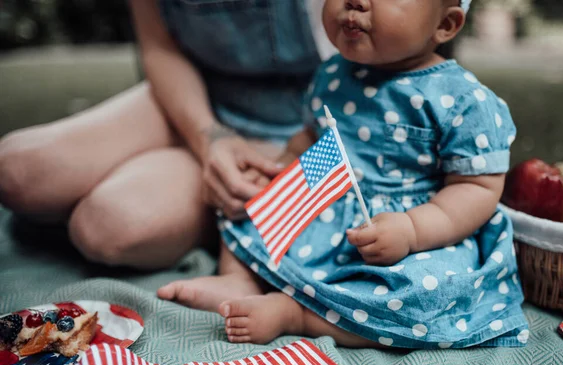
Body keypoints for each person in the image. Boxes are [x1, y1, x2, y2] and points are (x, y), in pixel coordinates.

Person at [157, 0, 530, 349]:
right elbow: (309, 138)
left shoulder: (462, 99)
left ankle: (299, 315)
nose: (356, 1)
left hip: (418, 230)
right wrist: (281, 171)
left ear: (445, 24)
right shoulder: (333, 74)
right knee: (249, 210)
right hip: (328, 208)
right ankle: (240, 280)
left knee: (424, 290)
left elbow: (475, 188)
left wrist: (412, 230)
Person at [0, 0, 330, 268]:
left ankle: (213, 217)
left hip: (305, 126)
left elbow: (364, 82)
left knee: (106, 225)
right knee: (14, 171)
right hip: (195, 99)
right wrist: (209, 139)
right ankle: (183, 181)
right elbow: (160, 48)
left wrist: (300, 162)